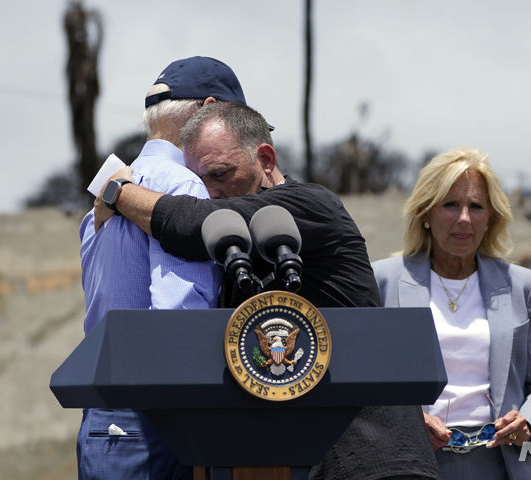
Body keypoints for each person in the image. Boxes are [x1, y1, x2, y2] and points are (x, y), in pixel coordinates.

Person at [93, 101, 440, 479]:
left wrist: (116, 190)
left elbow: (191, 224)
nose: (211, 192)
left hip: (368, 458)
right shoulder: (232, 247)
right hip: (282, 459)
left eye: (221, 174)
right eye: (199, 183)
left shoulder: (309, 204)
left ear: (266, 159)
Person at [77, 56, 252, 479]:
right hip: (155, 419)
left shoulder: (102, 199)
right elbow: (179, 322)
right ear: (207, 111)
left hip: (102, 414)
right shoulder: (184, 187)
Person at [371, 147, 531, 480]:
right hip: (410, 461)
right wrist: (408, 421)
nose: (463, 219)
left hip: (501, 464)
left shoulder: (520, 285)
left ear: (491, 218)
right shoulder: (383, 280)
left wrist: (529, 422)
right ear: (426, 212)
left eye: (476, 207)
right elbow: (366, 384)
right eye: (450, 205)